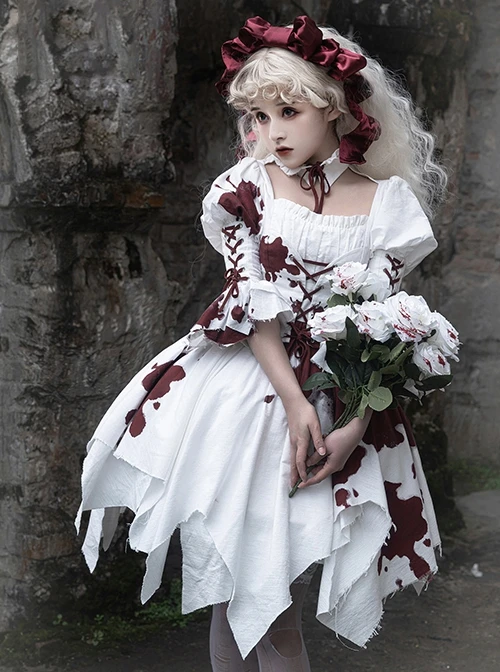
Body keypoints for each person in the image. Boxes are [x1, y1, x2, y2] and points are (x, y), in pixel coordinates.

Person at [76, 15, 447, 672]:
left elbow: (382, 329)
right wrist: (295, 403)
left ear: (334, 108)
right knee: (242, 595)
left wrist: (353, 427)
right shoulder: (246, 188)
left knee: (264, 598)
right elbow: (250, 308)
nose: (270, 132)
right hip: (247, 397)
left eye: (288, 112)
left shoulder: (385, 204)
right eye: (257, 116)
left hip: (340, 400)